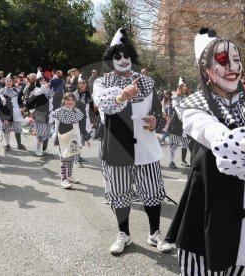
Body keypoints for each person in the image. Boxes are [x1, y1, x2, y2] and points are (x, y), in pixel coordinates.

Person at [166, 28, 245, 275]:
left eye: (236, 60)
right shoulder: (193, 106)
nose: (234, 67)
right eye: (224, 61)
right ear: (206, 71)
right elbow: (215, 134)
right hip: (209, 213)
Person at [93, 28, 171, 255]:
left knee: (152, 192)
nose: (123, 59)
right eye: (118, 56)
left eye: (126, 55)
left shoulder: (147, 82)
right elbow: (103, 103)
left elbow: (157, 108)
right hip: (117, 148)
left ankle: (155, 233)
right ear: (111, 59)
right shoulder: (102, 82)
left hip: (146, 148)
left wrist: (155, 119)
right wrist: (121, 95)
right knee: (119, 194)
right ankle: (124, 234)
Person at [52, 93, 91, 189]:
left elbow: (81, 126)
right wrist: (55, 138)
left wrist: (87, 138)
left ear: (74, 102)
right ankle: (63, 179)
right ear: (64, 101)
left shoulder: (77, 112)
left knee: (71, 157)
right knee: (64, 158)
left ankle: (69, 176)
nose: (70, 101)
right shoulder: (59, 111)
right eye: (67, 99)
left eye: (72, 100)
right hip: (63, 138)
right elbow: (56, 126)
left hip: (75, 138)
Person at [26, 76, 55, 156]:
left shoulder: (50, 91)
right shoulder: (37, 90)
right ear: (38, 82)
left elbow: (53, 102)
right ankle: (38, 149)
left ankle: (44, 149)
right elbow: (39, 92)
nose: (43, 81)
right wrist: (44, 86)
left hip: (50, 115)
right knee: (41, 134)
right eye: (41, 80)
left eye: (45, 80)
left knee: (48, 133)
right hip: (40, 114)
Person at [168, 76, 191, 169]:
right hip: (177, 123)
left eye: (186, 86)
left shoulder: (190, 97)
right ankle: (171, 161)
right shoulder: (176, 97)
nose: (185, 87)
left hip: (186, 124)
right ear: (180, 87)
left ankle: (183, 160)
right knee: (174, 143)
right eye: (183, 86)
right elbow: (176, 108)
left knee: (185, 143)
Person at [0, 76, 26, 151]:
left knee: (17, 128)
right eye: (7, 81)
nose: (9, 82)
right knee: (6, 129)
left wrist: (22, 107)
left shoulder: (17, 90)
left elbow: (20, 100)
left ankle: (19, 144)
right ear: (5, 82)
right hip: (6, 112)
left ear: (12, 82)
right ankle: (7, 144)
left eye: (10, 81)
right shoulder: (1, 91)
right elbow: (0, 104)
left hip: (16, 111)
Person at [73, 76, 94, 167]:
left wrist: (93, 119)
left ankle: (78, 157)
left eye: (83, 83)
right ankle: (76, 160)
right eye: (80, 83)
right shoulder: (75, 94)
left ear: (86, 85)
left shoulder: (89, 95)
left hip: (86, 119)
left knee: (82, 139)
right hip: (77, 120)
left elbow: (91, 109)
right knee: (78, 139)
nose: (81, 85)